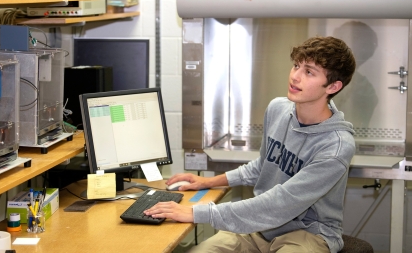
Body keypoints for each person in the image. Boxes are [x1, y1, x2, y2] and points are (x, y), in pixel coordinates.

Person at [144, 36, 356, 253]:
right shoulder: (278, 109)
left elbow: (281, 203)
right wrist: (208, 182)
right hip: (260, 228)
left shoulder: (336, 147)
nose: (295, 77)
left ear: (333, 86)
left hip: (307, 234)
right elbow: (263, 166)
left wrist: (197, 213)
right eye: (296, 66)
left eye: (309, 72)